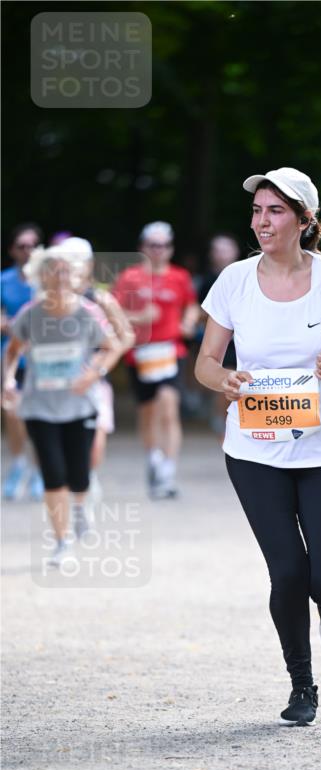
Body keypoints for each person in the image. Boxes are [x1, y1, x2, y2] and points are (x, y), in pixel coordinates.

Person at [195, 167, 321, 726]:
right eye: (257, 211)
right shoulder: (233, 281)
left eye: (275, 211)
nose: (262, 221)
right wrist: (224, 380)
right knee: (287, 570)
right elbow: (206, 363)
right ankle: (302, 684)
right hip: (255, 451)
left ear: (305, 220)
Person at [1, 245, 126, 566]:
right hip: (40, 407)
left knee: (79, 474)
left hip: (80, 406)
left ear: (76, 276)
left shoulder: (87, 313)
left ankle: (82, 507)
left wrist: (94, 372)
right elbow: (13, 351)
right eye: (52, 271)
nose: (58, 278)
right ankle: (62, 541)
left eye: (65, 271)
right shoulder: (30, 313)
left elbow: (111, 346)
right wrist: (9, 381)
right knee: (53, 473)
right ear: (40, 276)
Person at [112, 222, 200, 498]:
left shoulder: (179, 276)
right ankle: (153, 457)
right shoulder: (129, 277)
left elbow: (191, 305)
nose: (158, 250)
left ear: (170, 249)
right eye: (152, 245)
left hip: (171, 350)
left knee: (169, 405)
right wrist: (139, 317)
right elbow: (112, 313)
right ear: (142, 248)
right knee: (148, 412)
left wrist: (188, 321)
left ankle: (168, 470)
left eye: (163, 245)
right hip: (140, 353)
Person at [58, 237, 136, 503]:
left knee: (94, 443)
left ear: (89, 265)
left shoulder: (101, 298)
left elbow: (126, 336)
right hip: (59, 381)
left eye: (77, 262)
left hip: (94, 380)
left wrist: (100, 367)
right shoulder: (50, 299)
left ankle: (87, 478)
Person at [1, 223, 44, 500]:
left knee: (41, 416)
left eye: (32, 245)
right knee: (13, 412)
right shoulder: (3, 281)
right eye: (22, 246)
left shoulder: (49, 280)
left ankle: (40, 470)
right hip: (12, 353)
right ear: (12, 250)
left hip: (43, 356)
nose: (27, 251)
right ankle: (18, 462)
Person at [193, 234, 241, 435]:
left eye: (225, 250)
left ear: (235, 252)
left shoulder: (245, 276)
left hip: (243, 341)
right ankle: (222, 420)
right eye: (218, 250)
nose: (221, 255)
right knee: (228, 379)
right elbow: (199, 312)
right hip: (221, 341)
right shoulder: (206, 281)